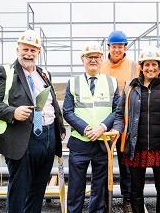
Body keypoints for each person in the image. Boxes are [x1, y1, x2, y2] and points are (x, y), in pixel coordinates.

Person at [0, 29, 66, 213]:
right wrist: (12, 112)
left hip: (47, 137)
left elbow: (51, 101)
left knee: (38, 189)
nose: (29, 54)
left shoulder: (44, 73)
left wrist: (59, 127)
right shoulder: (4, 72)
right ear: (18, 49)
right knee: (19, 191)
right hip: (22, 138)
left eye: (33, 50)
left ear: (38, 52)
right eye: (25, 49)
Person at [112, 46, 160, 213]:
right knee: (136, 190)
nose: (150, 68)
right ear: (141, 67)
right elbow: (120, 113)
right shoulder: (130, 87)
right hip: (137, 147)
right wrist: (117, 129)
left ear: (159, 66)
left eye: (154, 64)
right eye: (147, 65)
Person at [63, 42, 120, 213]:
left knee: (99, 186)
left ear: (102, 59)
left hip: (103, 143)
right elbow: (67, 111)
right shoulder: (73, 82)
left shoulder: (112, 82)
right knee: (75, 187)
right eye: (89, 57)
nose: (93, 60)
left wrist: (102, 127)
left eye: (96, 57)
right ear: (83, 59)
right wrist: (86, 128)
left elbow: (117, 110)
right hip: (80, 143)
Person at [101, 30, 140, 212]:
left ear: (125, 47)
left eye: (120, 46)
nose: (117, 50)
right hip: (104, 121)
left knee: (126, 163)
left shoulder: (134, 66)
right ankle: (104, 199)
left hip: (127, 122)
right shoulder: (100, 66)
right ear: (108, 47)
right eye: (114, 46)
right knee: (103, 161)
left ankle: (128, 199)